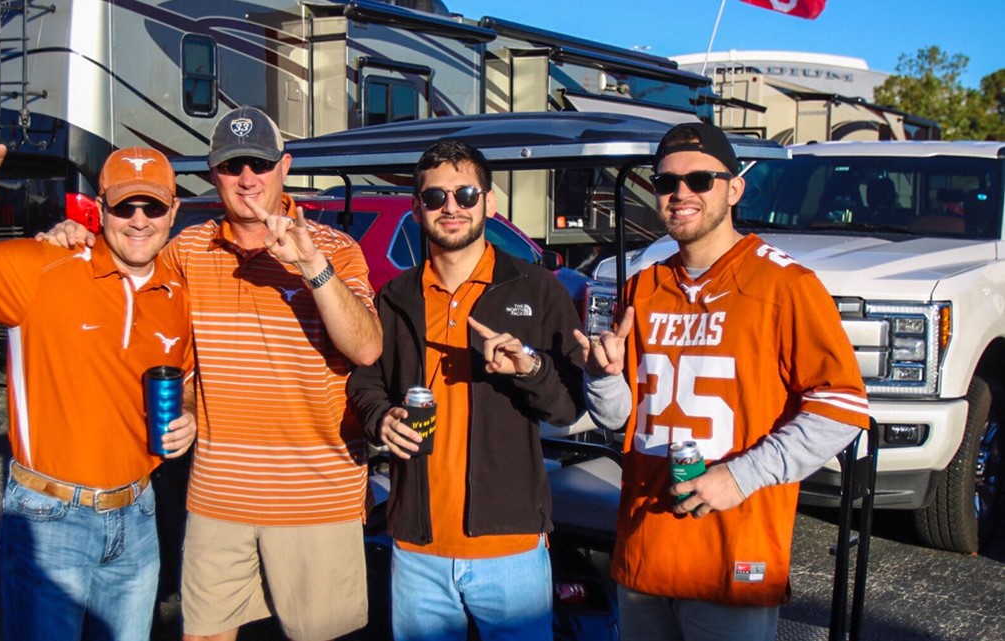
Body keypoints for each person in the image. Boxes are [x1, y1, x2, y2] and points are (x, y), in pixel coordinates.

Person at [44, 105, 383, 641]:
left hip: (316, 497)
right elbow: (150, 321)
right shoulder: (186, 250)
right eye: (231, 166)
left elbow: (366, 348)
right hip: (216, 497)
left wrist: (311, 267)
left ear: (285, 166)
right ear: (212, 174)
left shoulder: (334, 248)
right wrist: (77, 239)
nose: (247, 179)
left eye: (260, 163)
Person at [577, 122, 870, 641]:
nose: (681, 194)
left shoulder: (786, 285)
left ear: (734, 188)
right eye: (667, 183)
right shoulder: (643, 285)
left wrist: (740, 476)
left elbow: (842, 408)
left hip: (733, 554)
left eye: (700, 181)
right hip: (646, 548)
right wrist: (602, 378)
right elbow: (622, 420)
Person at [0, 145, 197, 641]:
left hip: (139, 515)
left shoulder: (177, 291)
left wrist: (188, 414)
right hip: (50, 518)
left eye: (153, 205)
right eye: (125, 206)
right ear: (101, 209)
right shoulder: (43, 266)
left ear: (174, 211)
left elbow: (185, 381)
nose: (139, 220)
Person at [348, 140, 586, 640]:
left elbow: (567, 406)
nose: (450, 207)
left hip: (511, 547)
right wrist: (380, 418)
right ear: (417, 208)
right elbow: (366, 380)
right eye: (435, 198)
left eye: (465, 193)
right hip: (417, 548)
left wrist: (529, 367)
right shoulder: (396, 297)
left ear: (489, 203)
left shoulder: (538, 289)